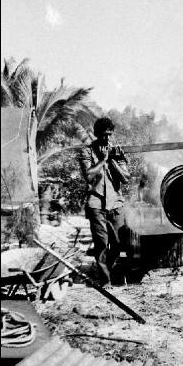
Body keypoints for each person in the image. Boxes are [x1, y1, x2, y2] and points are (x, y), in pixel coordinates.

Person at [79, 117, 131, 286]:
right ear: (96, 135)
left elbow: (126, 178)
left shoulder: (116, 152)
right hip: (96, 203)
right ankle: (105, 280)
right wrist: (102, 160)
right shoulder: (87, 151)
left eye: (110, 135)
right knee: (101, 244)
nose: (107, 139)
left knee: (117, 244)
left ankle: (107, 269)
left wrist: (112, 160)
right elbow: (88, 175)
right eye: (103, 135)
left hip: (116, 204)